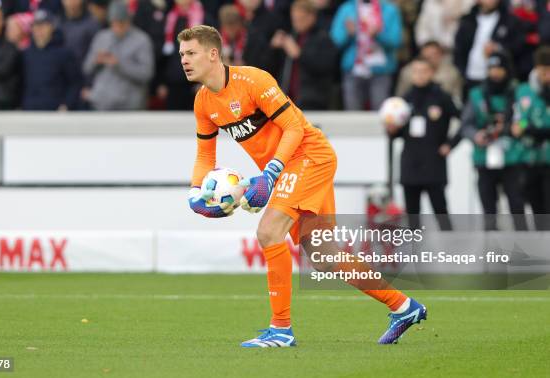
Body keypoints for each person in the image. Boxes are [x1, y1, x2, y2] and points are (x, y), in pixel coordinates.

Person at [180, 25, 426, 347]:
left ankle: (281, 329)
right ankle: (404, 307)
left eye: (191, 53)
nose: (184, 60)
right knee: (324, 256)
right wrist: (194, 193)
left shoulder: (253, 81)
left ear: (213, 54)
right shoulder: (203, 103)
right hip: (291, 167)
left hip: (309, 156)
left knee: (268, 233)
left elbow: (294, 128)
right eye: (182, 54)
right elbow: (204, 156)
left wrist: (269, 175)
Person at [386, 57, 461, 231]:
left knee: (441, 210)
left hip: (434, 161)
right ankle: (415, 254)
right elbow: (396, 132)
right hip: (410, 163)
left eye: (423, 71)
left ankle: (450, 250)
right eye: (415, 71)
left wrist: (450, 144)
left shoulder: (442, 97)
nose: (419, 75)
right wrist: (392, 130)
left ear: (431, 73)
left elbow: (465, 121)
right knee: (412, 216)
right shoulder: (404, 100)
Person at [461, 51, 528, 230]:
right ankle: (491, 249)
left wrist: (518, 126)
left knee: (517, 203)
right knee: (488, 206)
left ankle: (526, 247)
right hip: (485, 156)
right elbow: (466, 124)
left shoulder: (518, 91)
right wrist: (476, 135)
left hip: (513, 155)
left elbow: (525, 116)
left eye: (499, 68)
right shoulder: (477, 94)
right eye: (492, 68)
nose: (495, 72)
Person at [330, 0, 403, 110]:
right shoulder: (346, 8)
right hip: (353, 70)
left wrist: (379, 35)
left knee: (380, 115)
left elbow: (396, 41)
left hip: (381, 71)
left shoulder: (389, 9)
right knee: (353, 115)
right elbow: (335, 40)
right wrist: (348, 33)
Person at [83, 0, 154, 110]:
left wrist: (119, 64)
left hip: (129, 105)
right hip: (101, 104)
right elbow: (86, 68)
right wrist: (96, 61)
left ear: (128, 21)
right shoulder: (101, 37)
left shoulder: (141, 40)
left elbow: (146, 73)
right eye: (114, 24)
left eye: (121, 24)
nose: (117, 28)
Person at [269, 0, 337, 110]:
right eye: (294, 20)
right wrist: (272, 48)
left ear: (312, 17)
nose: (296, 23)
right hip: (287, 100)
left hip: (312, 102)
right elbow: (272, 67)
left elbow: (325, 67)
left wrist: (299, 55)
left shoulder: (323, 39)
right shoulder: (292, 37)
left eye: (301, 19)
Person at [453, 0, 525, 100]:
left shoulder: (510, 21)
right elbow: (459, 48)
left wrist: (499, 49)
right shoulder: (467, 20)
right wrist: (462, 70)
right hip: (471, 76)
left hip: (498, 80)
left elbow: (519, 45)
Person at [512, 45, 550, 230]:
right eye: (544, 71)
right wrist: (529, 128)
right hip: (530, 158)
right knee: (537, 207)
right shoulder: (524, 90)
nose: (547, 76)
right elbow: (521, 122)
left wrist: (530, 129)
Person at [22, 9, 82, 110]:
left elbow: (75, 82)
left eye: (44, 25)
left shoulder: (64, 53)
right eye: (36, 26)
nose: (40, 29)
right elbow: (21, 83)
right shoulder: (26, 54)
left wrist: (67, 105)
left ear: (52, 27)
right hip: (30, 110)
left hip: (54, 111)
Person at [396, 41, 462, 101]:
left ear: (441, 55)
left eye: (434, 55)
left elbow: (456, 99)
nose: (431, 58)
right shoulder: (407, 72)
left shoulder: (452, 73)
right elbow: (399, 97)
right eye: (427, 56)